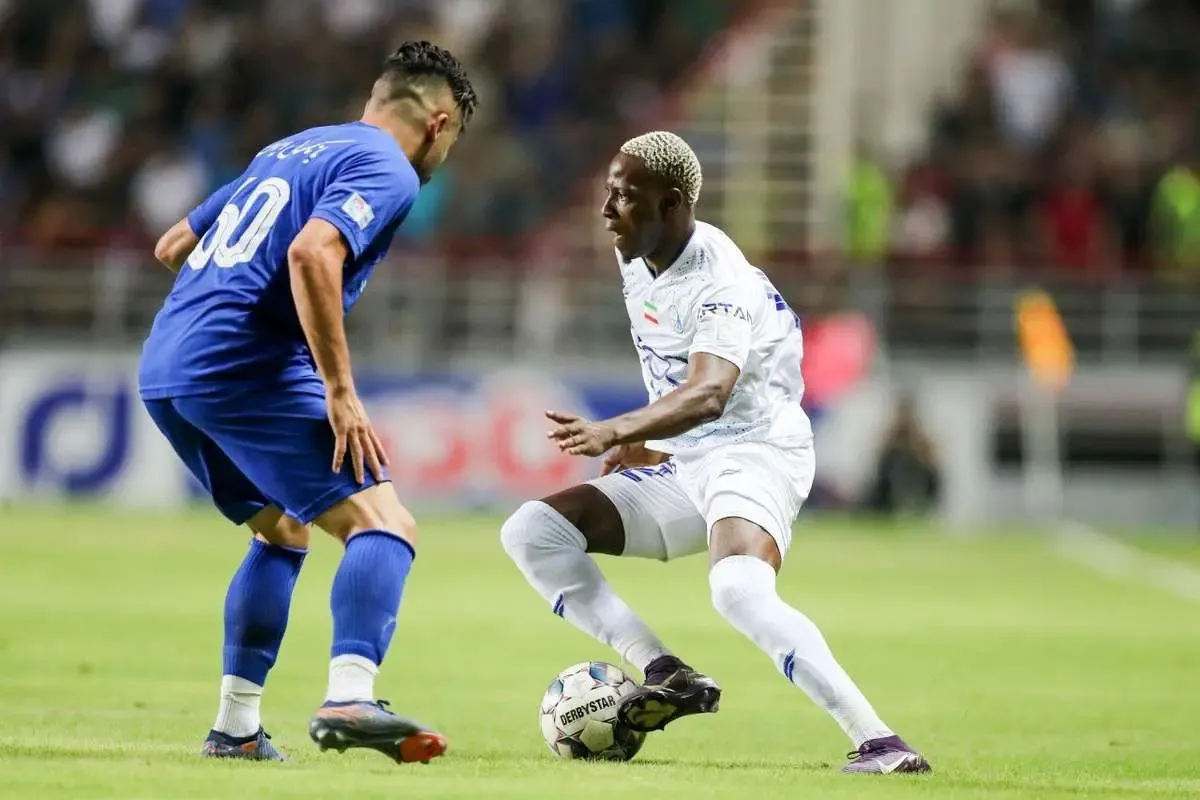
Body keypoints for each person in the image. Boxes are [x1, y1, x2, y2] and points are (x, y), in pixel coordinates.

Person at [500, 131, 931, 774]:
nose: (608, 209)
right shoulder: (637, 252)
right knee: (533, 531)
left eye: (625, 195)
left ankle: (884, 745)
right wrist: (649, 437)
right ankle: (664, 672)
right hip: (690, 462)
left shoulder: (717, 280)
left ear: (672, 204)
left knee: (737, 589)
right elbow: (673, 366)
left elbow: (709, 393)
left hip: (756, 453)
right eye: (608, 192)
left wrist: (614, 430)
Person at [136, 41, 477, 764]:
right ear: (439, 123)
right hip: (245, 363)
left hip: (167, 366)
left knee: (284, 529)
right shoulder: (388, 167)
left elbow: (172, 245)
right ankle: (351, 695)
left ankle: (235, 730)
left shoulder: (289, 150)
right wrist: (339, 390)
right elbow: (312, 253)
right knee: (385, 523)